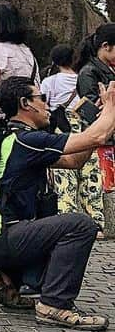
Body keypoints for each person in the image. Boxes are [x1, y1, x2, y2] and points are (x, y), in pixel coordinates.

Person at [0, 77, 115, 330]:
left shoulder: (13, 138)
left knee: (51, 221)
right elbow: (99, 135)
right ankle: (55, 304)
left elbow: (73, 161)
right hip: (2, 235)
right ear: (26, 104)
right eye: (42, 98)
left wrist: (95, 123)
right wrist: (112, 108)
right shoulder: (29, 140)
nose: (47, 104)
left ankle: (7, 279)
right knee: (80, 225)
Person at [39, 43, 103, 232]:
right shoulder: (82, 78)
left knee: (65, 177)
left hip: (62, 129)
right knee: (91, 173)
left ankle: (68, 220)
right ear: (73, 60)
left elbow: (45, 106)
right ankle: (97, 222)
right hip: (85, 128)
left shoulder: (49, 82)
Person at [73, 24, 115, 225]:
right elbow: (89, 109)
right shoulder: (89, 72)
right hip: (102, 139)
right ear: (106, 46)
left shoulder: (109, 70)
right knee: (104, 184)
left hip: (110, 134)